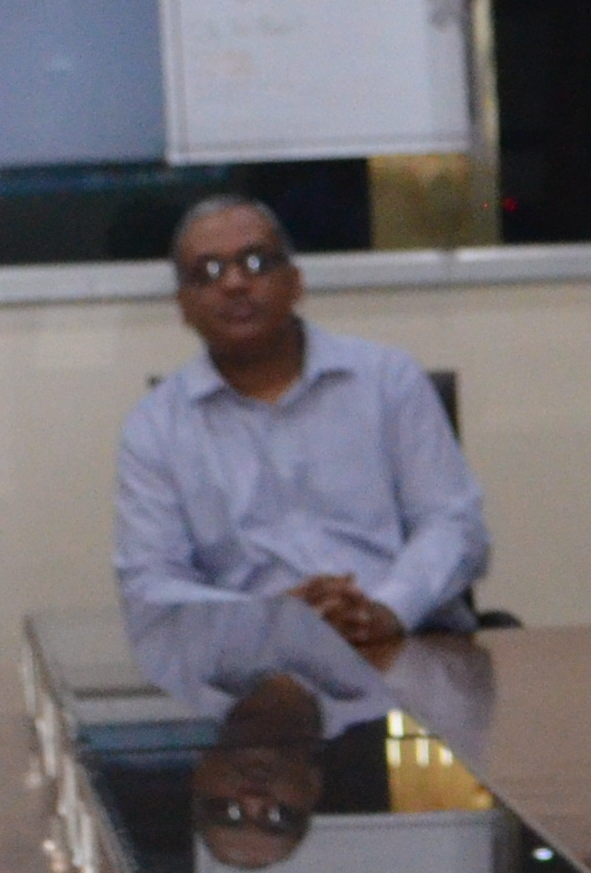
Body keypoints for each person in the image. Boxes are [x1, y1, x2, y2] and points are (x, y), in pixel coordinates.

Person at [117, 192, 491, 697]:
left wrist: (385, 609)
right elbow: (151, 585)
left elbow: (454, 524)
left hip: (407, 651)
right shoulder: (156, 426)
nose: (234, 283)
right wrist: (275, 620)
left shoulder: (387, 381)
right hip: (254, 681)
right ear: (183, 306)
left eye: (255, 262)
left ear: (295, 282)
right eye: (208, 272)